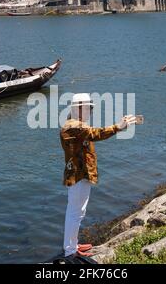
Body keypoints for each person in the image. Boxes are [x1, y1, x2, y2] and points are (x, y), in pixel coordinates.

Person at [60, 93, 136, 258]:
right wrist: (118, 126)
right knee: (75, 212)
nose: (91, 111)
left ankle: (72, 245)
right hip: (77, 176)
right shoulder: (73, 126)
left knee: (76, 211)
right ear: (78, 108)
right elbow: (96, 133)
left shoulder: (77, 124)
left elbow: (90, 133)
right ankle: (70, 250)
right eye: (89, 108)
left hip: (81, 174)